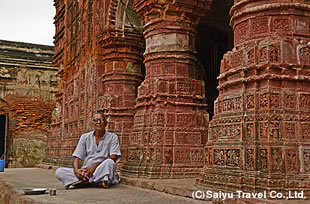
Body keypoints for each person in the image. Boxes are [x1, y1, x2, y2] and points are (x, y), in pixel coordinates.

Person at [55, 110, 121, 189]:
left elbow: (113, 157)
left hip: (101, 170)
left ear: (106, 123)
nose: (98, 122)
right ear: (92, 123)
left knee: (110, 162)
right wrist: (77, 171)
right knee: (59, 172)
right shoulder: (85, 137)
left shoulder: (113, 137)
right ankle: (94, 182)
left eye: (101, 120)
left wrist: (94, 167)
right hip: (86, 172)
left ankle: (86, 182)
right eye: (95, 120)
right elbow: (78, 157)